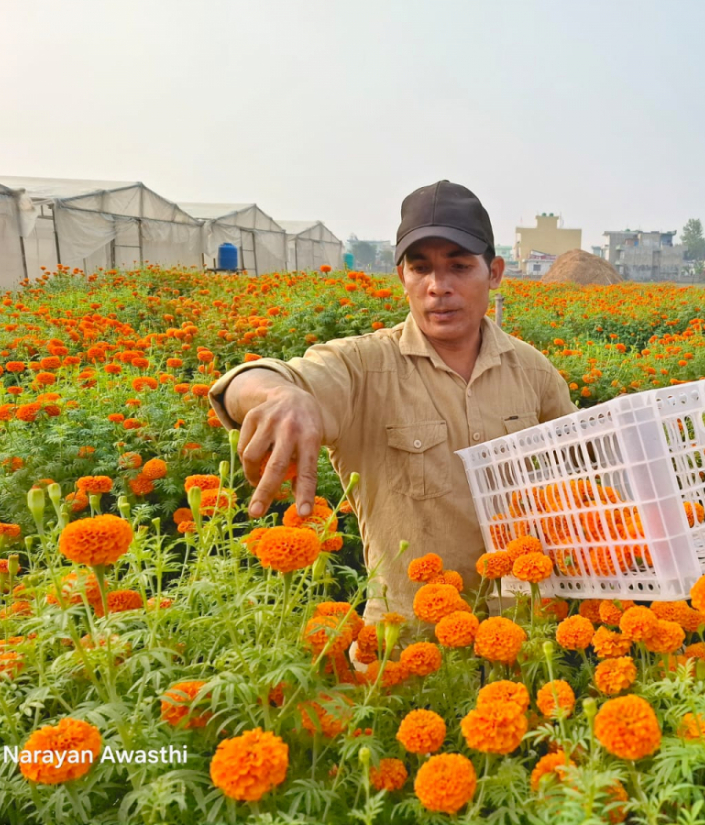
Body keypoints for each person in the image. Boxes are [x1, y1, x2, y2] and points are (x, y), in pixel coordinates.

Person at [208, 181, 577, 623]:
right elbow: (249, 384)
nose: (438, 286)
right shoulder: (362, 366)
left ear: (494, 273)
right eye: (421, 268)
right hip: (401, 653)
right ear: (402, 275)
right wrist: (280, 395)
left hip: (523, 637)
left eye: (459, 266)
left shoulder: (532, 369)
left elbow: (585, 464)